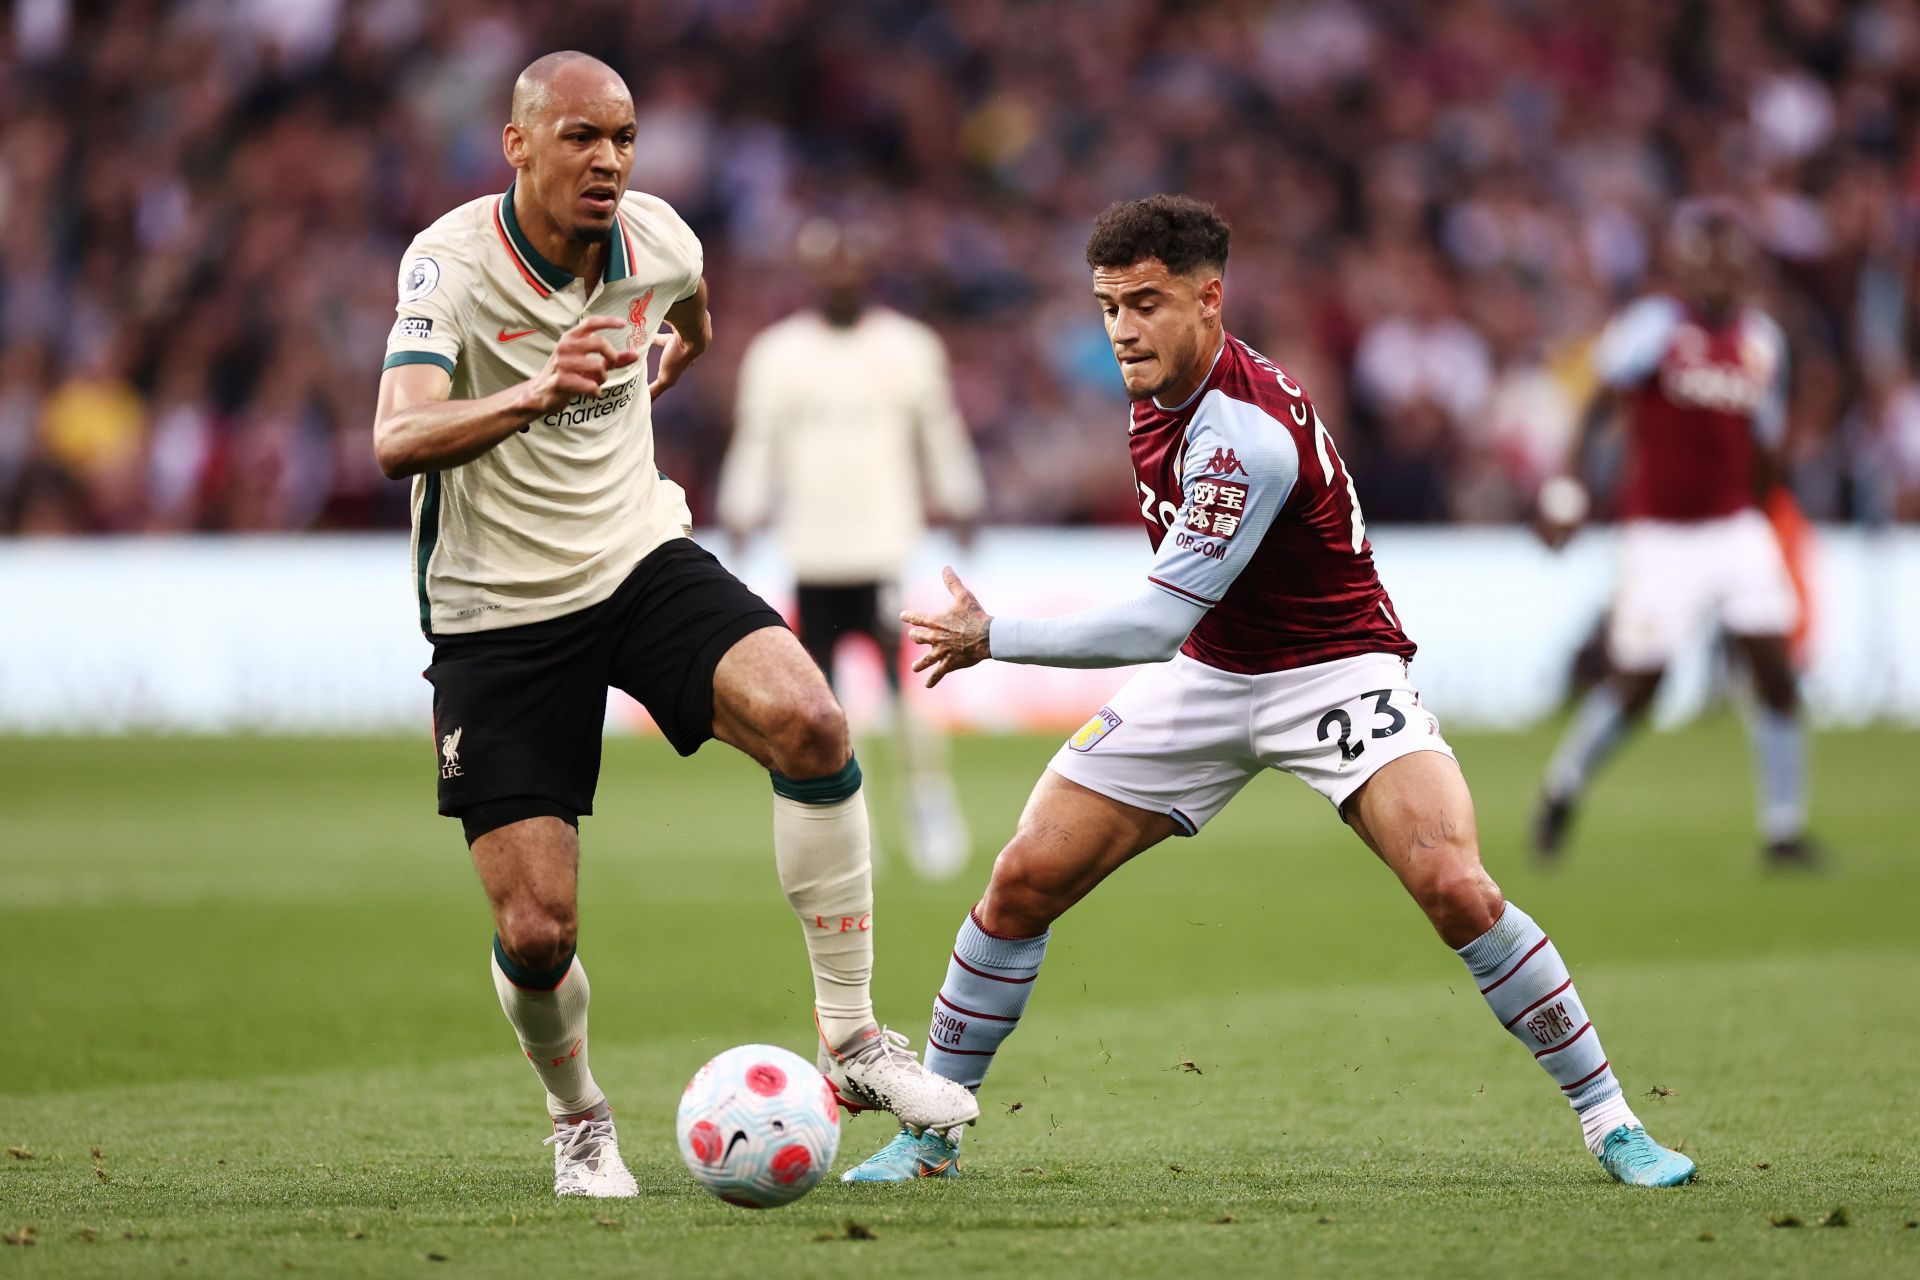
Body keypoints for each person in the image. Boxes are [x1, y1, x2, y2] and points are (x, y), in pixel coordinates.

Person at [839, 195, 1694, 1188]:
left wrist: (1001, 637)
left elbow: (1153, 621)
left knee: (1455, 884)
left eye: (1145, 303)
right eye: (1108, 304)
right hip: (1212, 669)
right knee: (1022, 878)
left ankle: (1611, 1118)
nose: (1121, 328)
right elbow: (1182, 625)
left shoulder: (1244, 434)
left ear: (1211, 299)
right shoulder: (1158, 381)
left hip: (1333, 665)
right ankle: (930, 1132)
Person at [370, 52, 976, 1199]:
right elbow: (396, 438)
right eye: (581, 138)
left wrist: (681, 345)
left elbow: (692, 309)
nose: (608, 160)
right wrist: (537, 391)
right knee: (540, 929)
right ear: (517, 145)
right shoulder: (446, 265)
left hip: (636, 557)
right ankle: (580, 1118)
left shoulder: (660, 239)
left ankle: (850, 1040)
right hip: (496, 612)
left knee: (813, 722)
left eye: (624, 138)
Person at [1533, 207, 1815, 867]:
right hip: (1660, 533)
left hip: (1733, 524)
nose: (1718, 273)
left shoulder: (1761, 340)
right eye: (1706, 259)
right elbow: (1598, 406)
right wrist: (1571, 490)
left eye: (1729, 260)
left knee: (1773, 664)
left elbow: (1765, 441)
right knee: (1642, 684)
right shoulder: (1655, 327)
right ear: (1686, 266)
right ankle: (1562, 785)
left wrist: (1766, 509)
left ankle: (1784, 829)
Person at [717, 219, 985, 879]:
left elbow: (939, 429)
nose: (840, 277)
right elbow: (757, 439)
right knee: (826, 702)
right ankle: (851, 819)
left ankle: (927, 801)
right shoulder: (779, 354)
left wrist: (962, 496)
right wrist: (741, 506)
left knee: (907, 687)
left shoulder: (908, 348)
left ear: (868, 270)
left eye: (850, 264)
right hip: (813, 550)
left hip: (883, 547)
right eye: (827, 265)